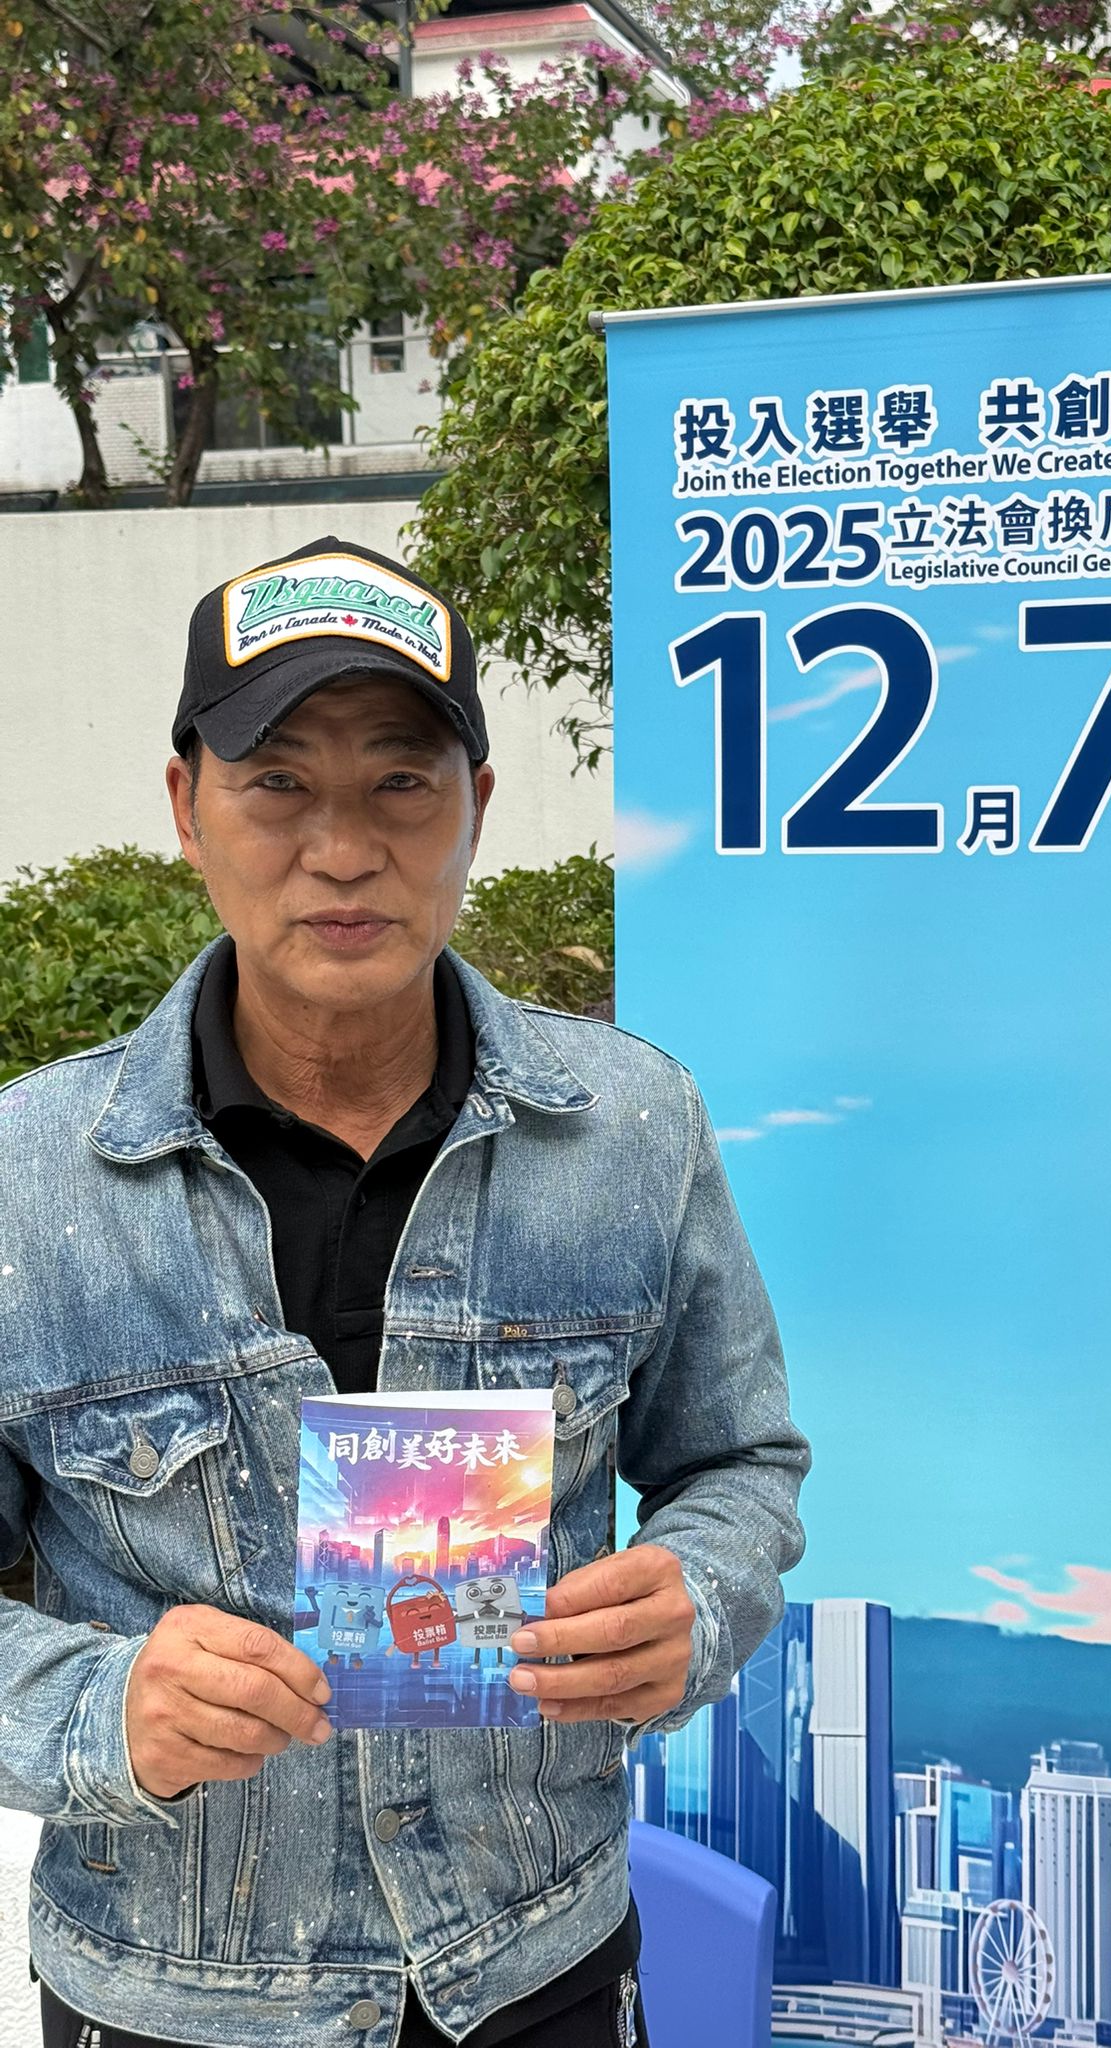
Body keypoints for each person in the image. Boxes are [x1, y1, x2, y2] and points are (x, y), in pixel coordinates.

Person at [0, 536, 810, 2048]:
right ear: (185, 806)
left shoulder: (630, 1129)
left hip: (538, 1966)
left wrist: (697, 1596)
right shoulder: (27, 1181)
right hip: (174, 2001)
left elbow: (738, 1462)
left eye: (399, 782)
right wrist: (102, 1709)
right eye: (277, 783)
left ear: (476, 808)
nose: (343, 849)